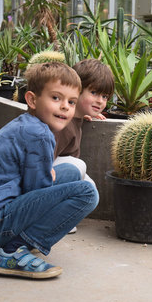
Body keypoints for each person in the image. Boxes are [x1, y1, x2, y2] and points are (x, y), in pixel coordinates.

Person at [0, 62, 99, 279]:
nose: (65, 107)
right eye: (56, 98)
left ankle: (8, 243)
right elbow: (36, 190)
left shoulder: (28, 124)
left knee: (69, 171)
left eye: (71, 102)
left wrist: (46, 175)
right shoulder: (39, 134)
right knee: (87, 193)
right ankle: (12, 251)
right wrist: (45, 177)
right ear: (32, 99)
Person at [53, 58, 114, 233]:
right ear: (76, 90)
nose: (100, 101)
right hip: (47, 174)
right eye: (94, 93)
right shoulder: (62, 121)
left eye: (105, 97)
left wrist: (84, 115)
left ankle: (60, 218)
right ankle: (52, 219)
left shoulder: (76, 117)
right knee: (78, 166)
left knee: (90, 188)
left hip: (60, 172)